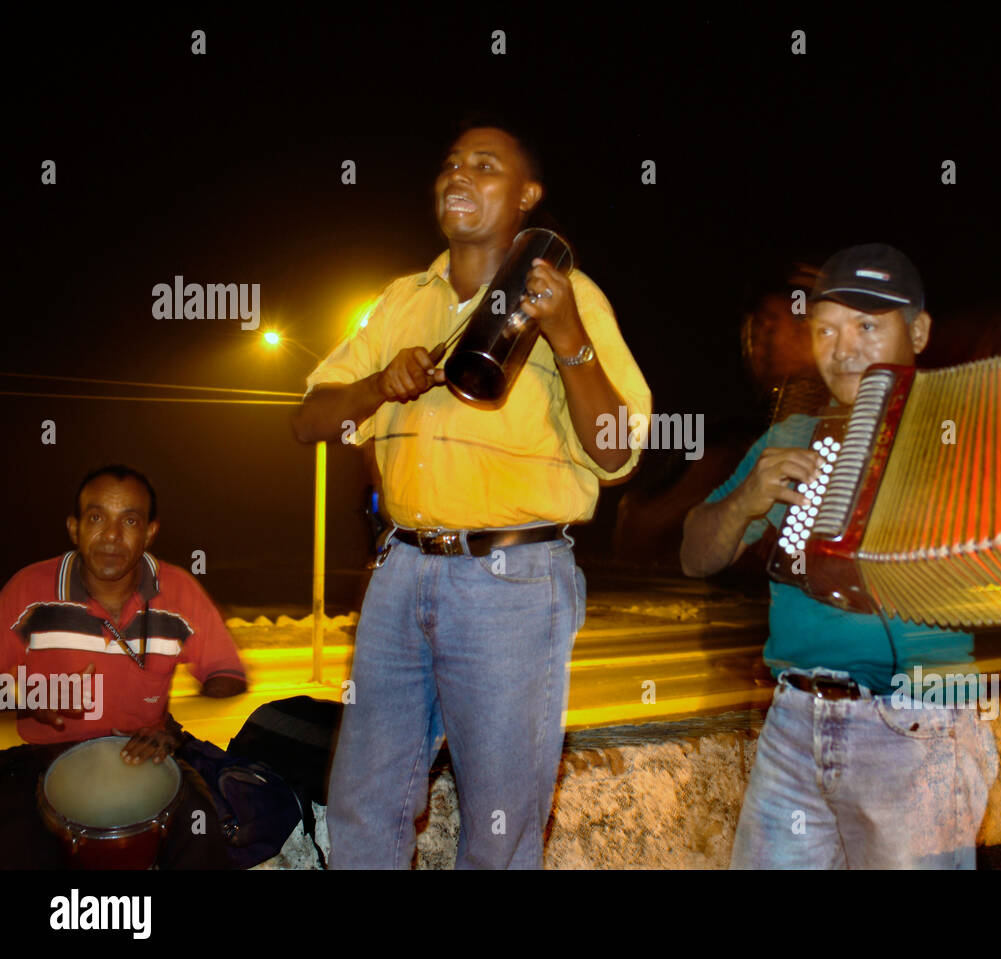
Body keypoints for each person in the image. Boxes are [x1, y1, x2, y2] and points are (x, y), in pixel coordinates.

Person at [681, 244, 1001, 868]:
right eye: (825, 329)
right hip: (792, 726)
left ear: (920, 331)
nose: (843, 349)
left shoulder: (983, 430)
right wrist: (742, 501)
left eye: (867, 326)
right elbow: (695, 556)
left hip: (920, 730)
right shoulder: (791, 439)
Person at [291, 118, 652, 869]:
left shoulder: (570, 294)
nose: (459, 176)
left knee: (498, 822)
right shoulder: (399, 301)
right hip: (399, 573)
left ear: (528, 195)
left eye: (486, 167)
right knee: (365, 802)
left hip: (511, 579)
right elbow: (308, 419)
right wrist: (373, 383)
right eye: (450, 164)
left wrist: (566, 336)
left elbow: (616, 449)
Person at [0, 464, 248, 868]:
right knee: (15, 843)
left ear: (150, 532)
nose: (112, 536)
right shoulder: (28, 590)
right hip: (42, 758)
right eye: (97, 518)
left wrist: (168, 728)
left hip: (142, 753)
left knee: (203, 836)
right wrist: (27, 698)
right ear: (74, 528)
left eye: (129, 520)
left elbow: (227, 674)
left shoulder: (179, 590)